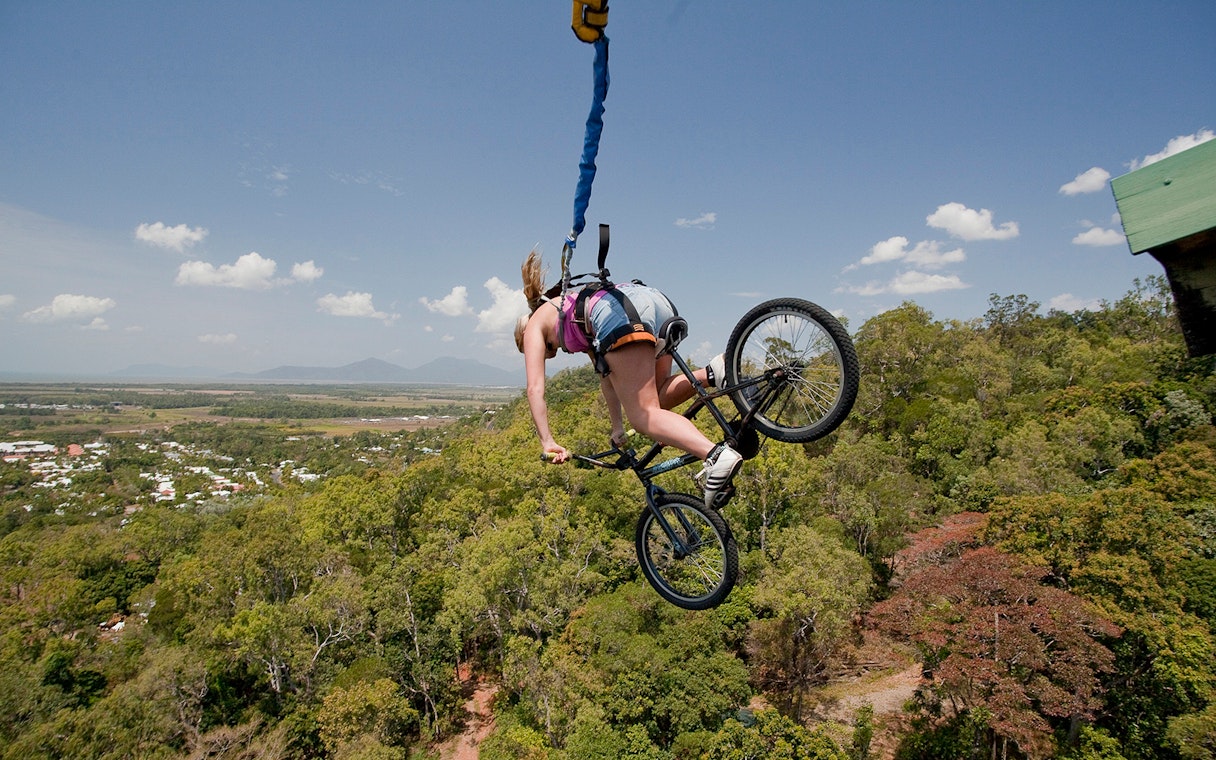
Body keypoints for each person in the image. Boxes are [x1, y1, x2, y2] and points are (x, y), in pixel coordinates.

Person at [514, 250, 742, 507]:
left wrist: (547, 441)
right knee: (657, 399)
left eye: (547, 349)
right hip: (651, 301)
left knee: (644, 416)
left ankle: (714, 456)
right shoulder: (570, 309)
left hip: (620, 315)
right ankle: (714, 373)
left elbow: (535, 389)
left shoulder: (534, 324)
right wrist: (617, 426)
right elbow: (607, 376)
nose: (550, 352)